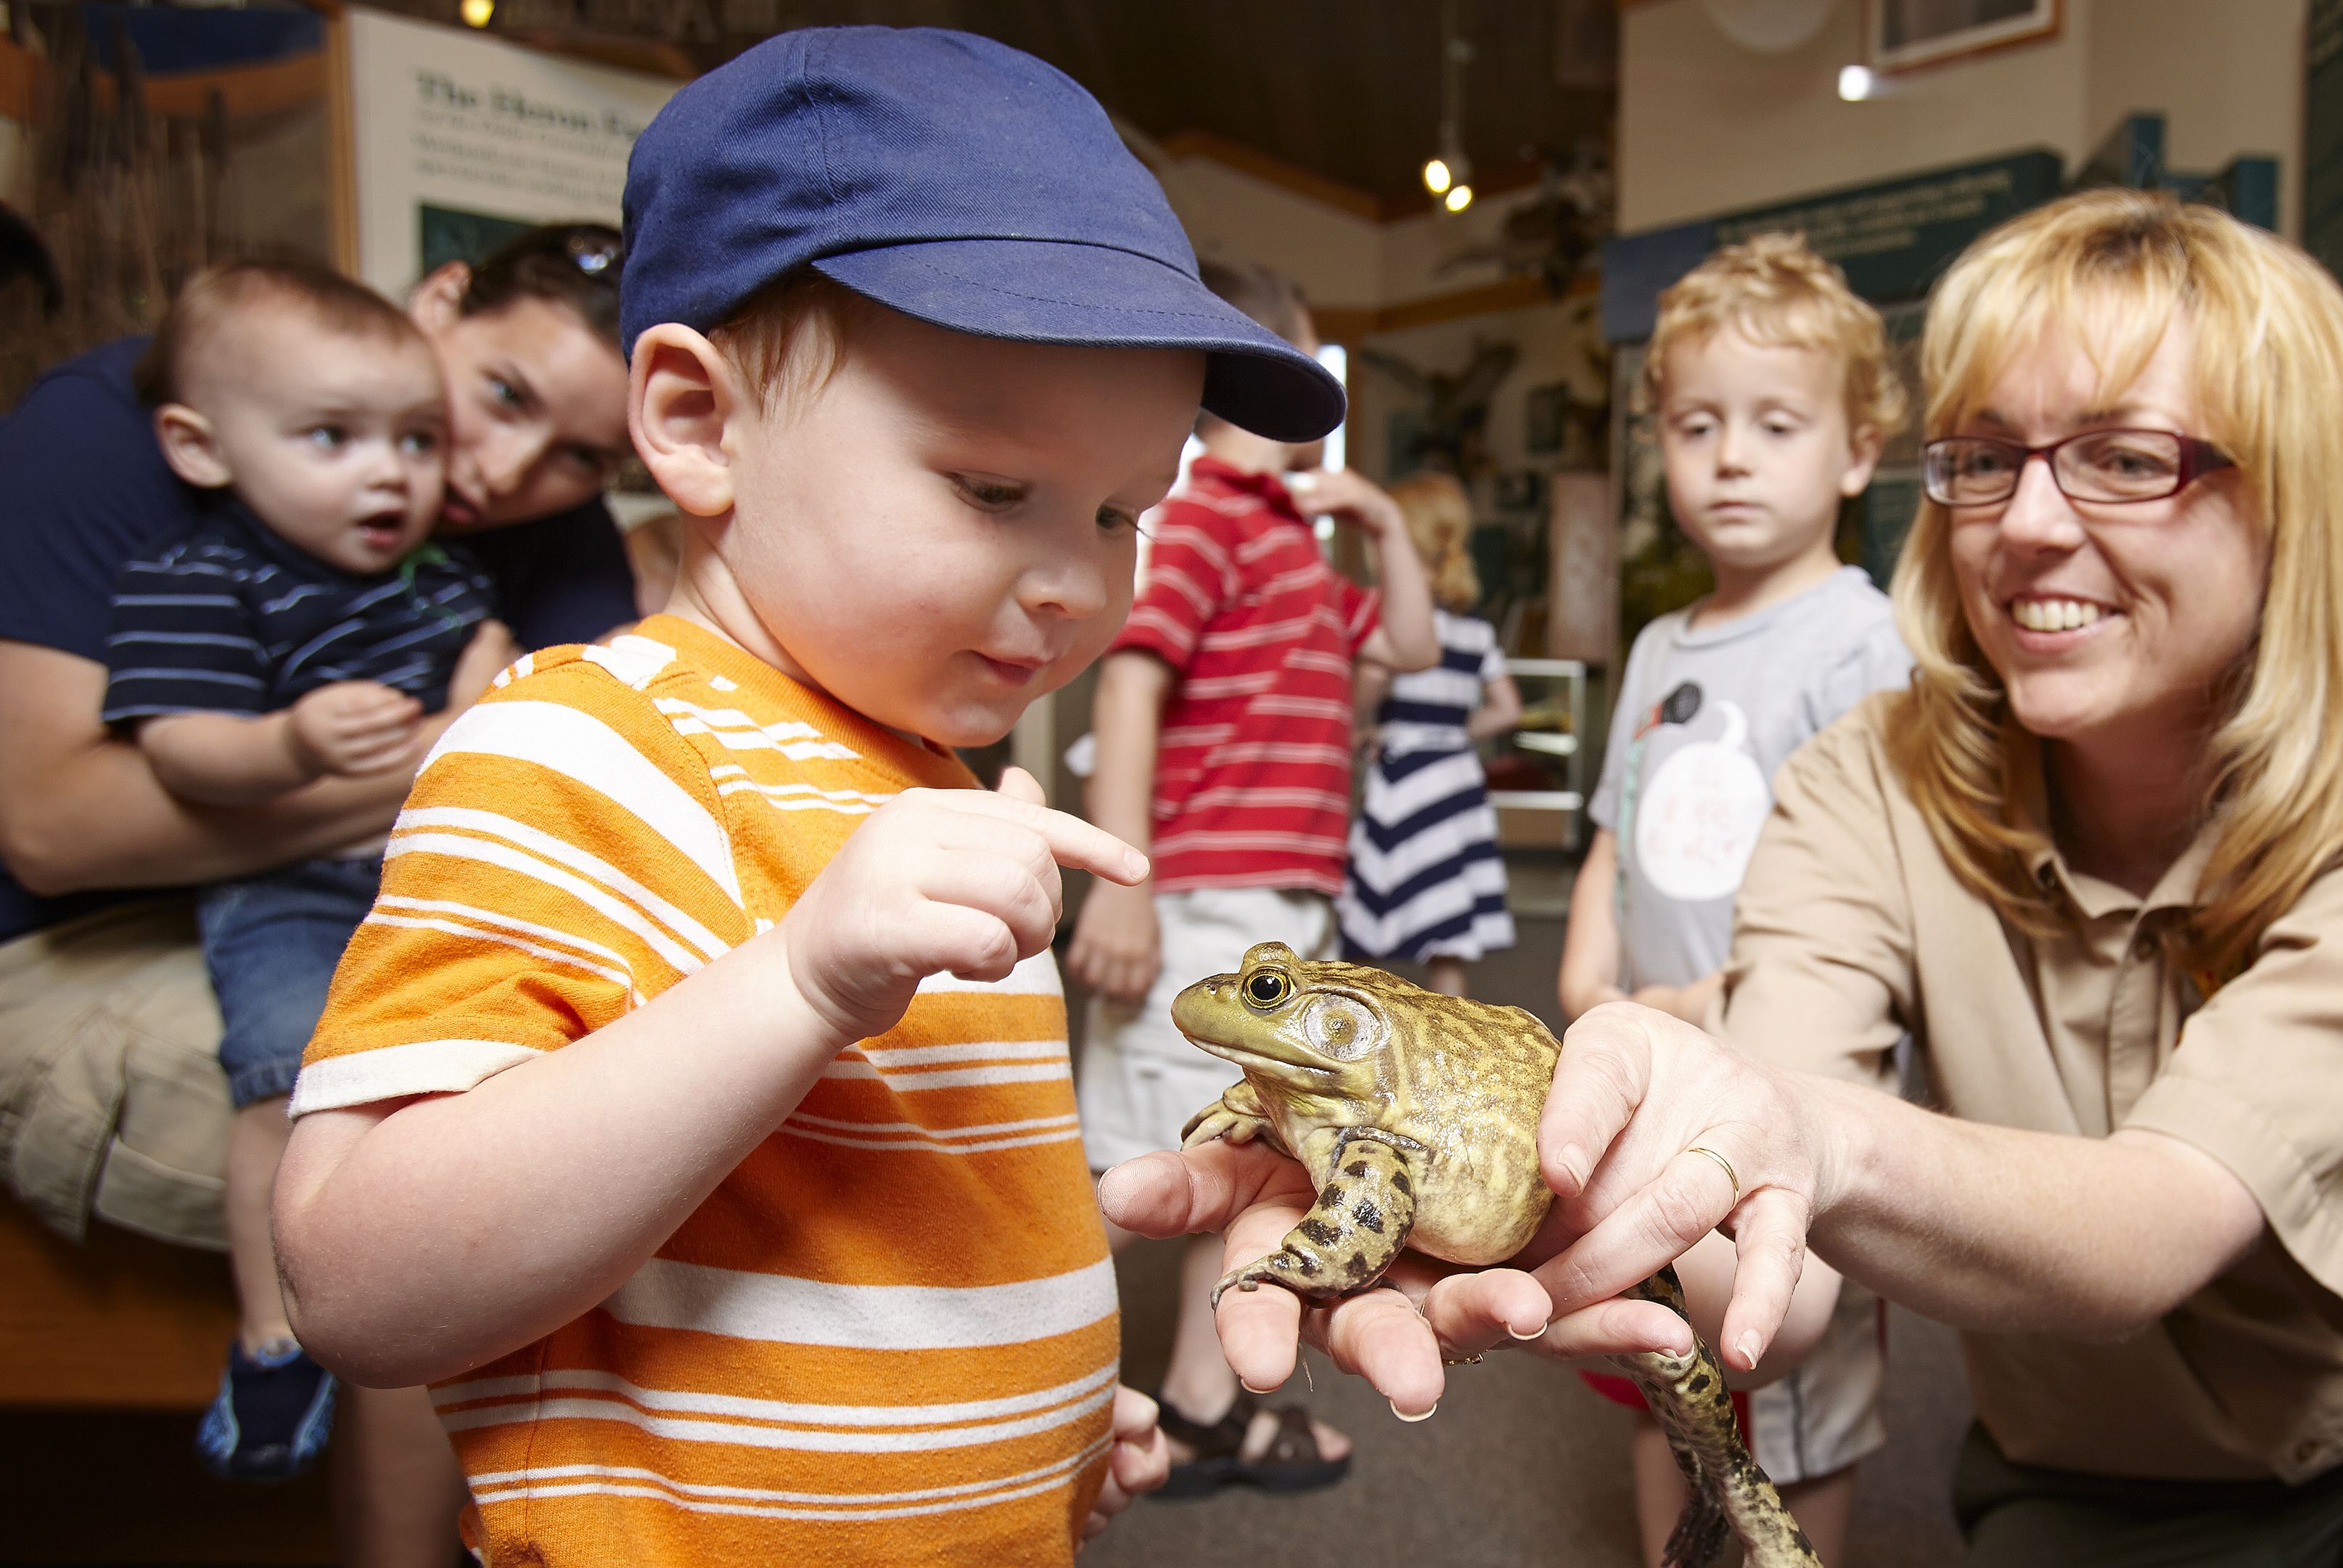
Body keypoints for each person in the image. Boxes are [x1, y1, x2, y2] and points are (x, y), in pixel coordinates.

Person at [1106, 189, 2343, 1565]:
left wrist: (1801, 1130)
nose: (2026, 526)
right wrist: (1569, 1184)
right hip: (2099, 1492)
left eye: (2126, 456)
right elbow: (1800, 1261)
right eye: (1983, 455)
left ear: (2293, 502)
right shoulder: (1862, 779)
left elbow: (2145, 1225)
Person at [270, 28, 1350, 1564]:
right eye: (992, 488)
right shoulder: (581, 745)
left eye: (1123, 512)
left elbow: (875, 1221)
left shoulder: (925, 768)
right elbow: (355, 1280)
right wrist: (794, 980)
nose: (1070, 581)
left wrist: (1019, 1403)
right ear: (700, 422)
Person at [0, 221, 634, 1566]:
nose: (504, 473)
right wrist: (438, 753)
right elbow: (54, 826)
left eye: (581, 455)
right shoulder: (116, 429)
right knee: (433, 1151)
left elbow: (561, 797)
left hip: (375, 905)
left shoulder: (561, 532)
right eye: (503, 393)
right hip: (81, 930)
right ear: (439, 299)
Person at [101, 260, 507, 1482]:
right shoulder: (201, 580)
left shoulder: (437, 575)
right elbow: (174, 746)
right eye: (332, 437)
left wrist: (489, 673)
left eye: (417, 439)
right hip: (284, 889)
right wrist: (284, 743)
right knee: (279, 1086)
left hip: (422, 874)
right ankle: (272, 1337)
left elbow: (486, 659)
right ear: (201, 446)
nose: (390, 472)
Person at [1554, 231, 1914, 1567]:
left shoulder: (1858, 640)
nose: (1732, 457)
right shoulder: (1658, 641)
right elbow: (1619, 830)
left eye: (1777, 423)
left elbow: (1880, 880)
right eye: (1698, 425)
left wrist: (1718, 999)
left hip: (1793, 1084)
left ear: (1857, 452)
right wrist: (1591, 982)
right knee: (1662, 1361)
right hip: (1657, 1076)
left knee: (1795, 1387)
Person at [1065, 253, 1439, 1495]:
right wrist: (1125, 879)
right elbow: (1132, 673)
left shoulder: (1289, 534)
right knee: (1149, 1166)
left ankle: (1202, 1407)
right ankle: (1009, 1395)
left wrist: (1381, 520)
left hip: (1275, 901)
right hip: (1197, 888)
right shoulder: (1210, 508)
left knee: (1235, 1153)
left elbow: (1411, 642)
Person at [1335, 472, 1520, 998]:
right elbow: (1507, 709)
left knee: (1364, 922)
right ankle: (1449, 1050)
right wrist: (1453, 731)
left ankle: (1347, 1019)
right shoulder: (1477, 631)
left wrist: (1378, 728)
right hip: (1456, 778)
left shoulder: (1397, 625)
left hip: (1406, 781)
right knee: (1448, 927)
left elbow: (1360, 700)